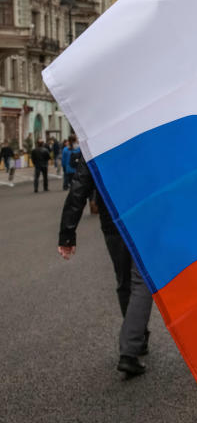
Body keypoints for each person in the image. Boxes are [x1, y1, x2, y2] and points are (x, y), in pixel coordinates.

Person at [58, 152, 153, 377]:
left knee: (124, 280)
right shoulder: (140, 128)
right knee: (142, 281)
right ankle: (131, 348)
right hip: (143, 214)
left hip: (112, 220)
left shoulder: (95, 137)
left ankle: (136, 336)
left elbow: (80, 185)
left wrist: (67, 234)